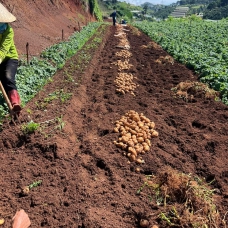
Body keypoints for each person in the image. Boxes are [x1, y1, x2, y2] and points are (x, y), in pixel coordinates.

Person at [0, 3, 21, 116]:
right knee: (2, 81)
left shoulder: (8, 31)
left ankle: (15, 103)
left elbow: (4, 49)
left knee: (8, 77)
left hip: (10, 58)